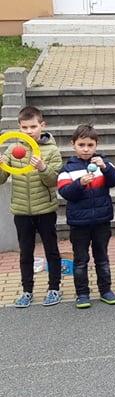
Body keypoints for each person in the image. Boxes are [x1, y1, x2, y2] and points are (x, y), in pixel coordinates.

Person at [0, 105, 63, 308]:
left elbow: (53, 181)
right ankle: (27, 291)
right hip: (21, 211)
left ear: (42, 125)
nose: (29, 131)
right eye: (24, 127)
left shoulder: (52, 150)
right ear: (19, 127)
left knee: (51, 250)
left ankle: (54, 288)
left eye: (33, 126)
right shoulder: (12, 149)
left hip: (45, 209)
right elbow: (1, 179)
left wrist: (42, 167)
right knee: (25, 253)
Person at [57, 124, 115, 308]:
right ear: (73, 144)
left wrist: (106, 168)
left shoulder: (103, 163)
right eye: (81, 145)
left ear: (96, 145)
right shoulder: (67, 169)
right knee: (81, 260)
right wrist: (79, 183)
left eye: (90, 145)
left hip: (102, 220)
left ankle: (106, 291)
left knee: (102, 257)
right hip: (79, 223)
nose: (86, 149)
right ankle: (82, 294)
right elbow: (65, 192)